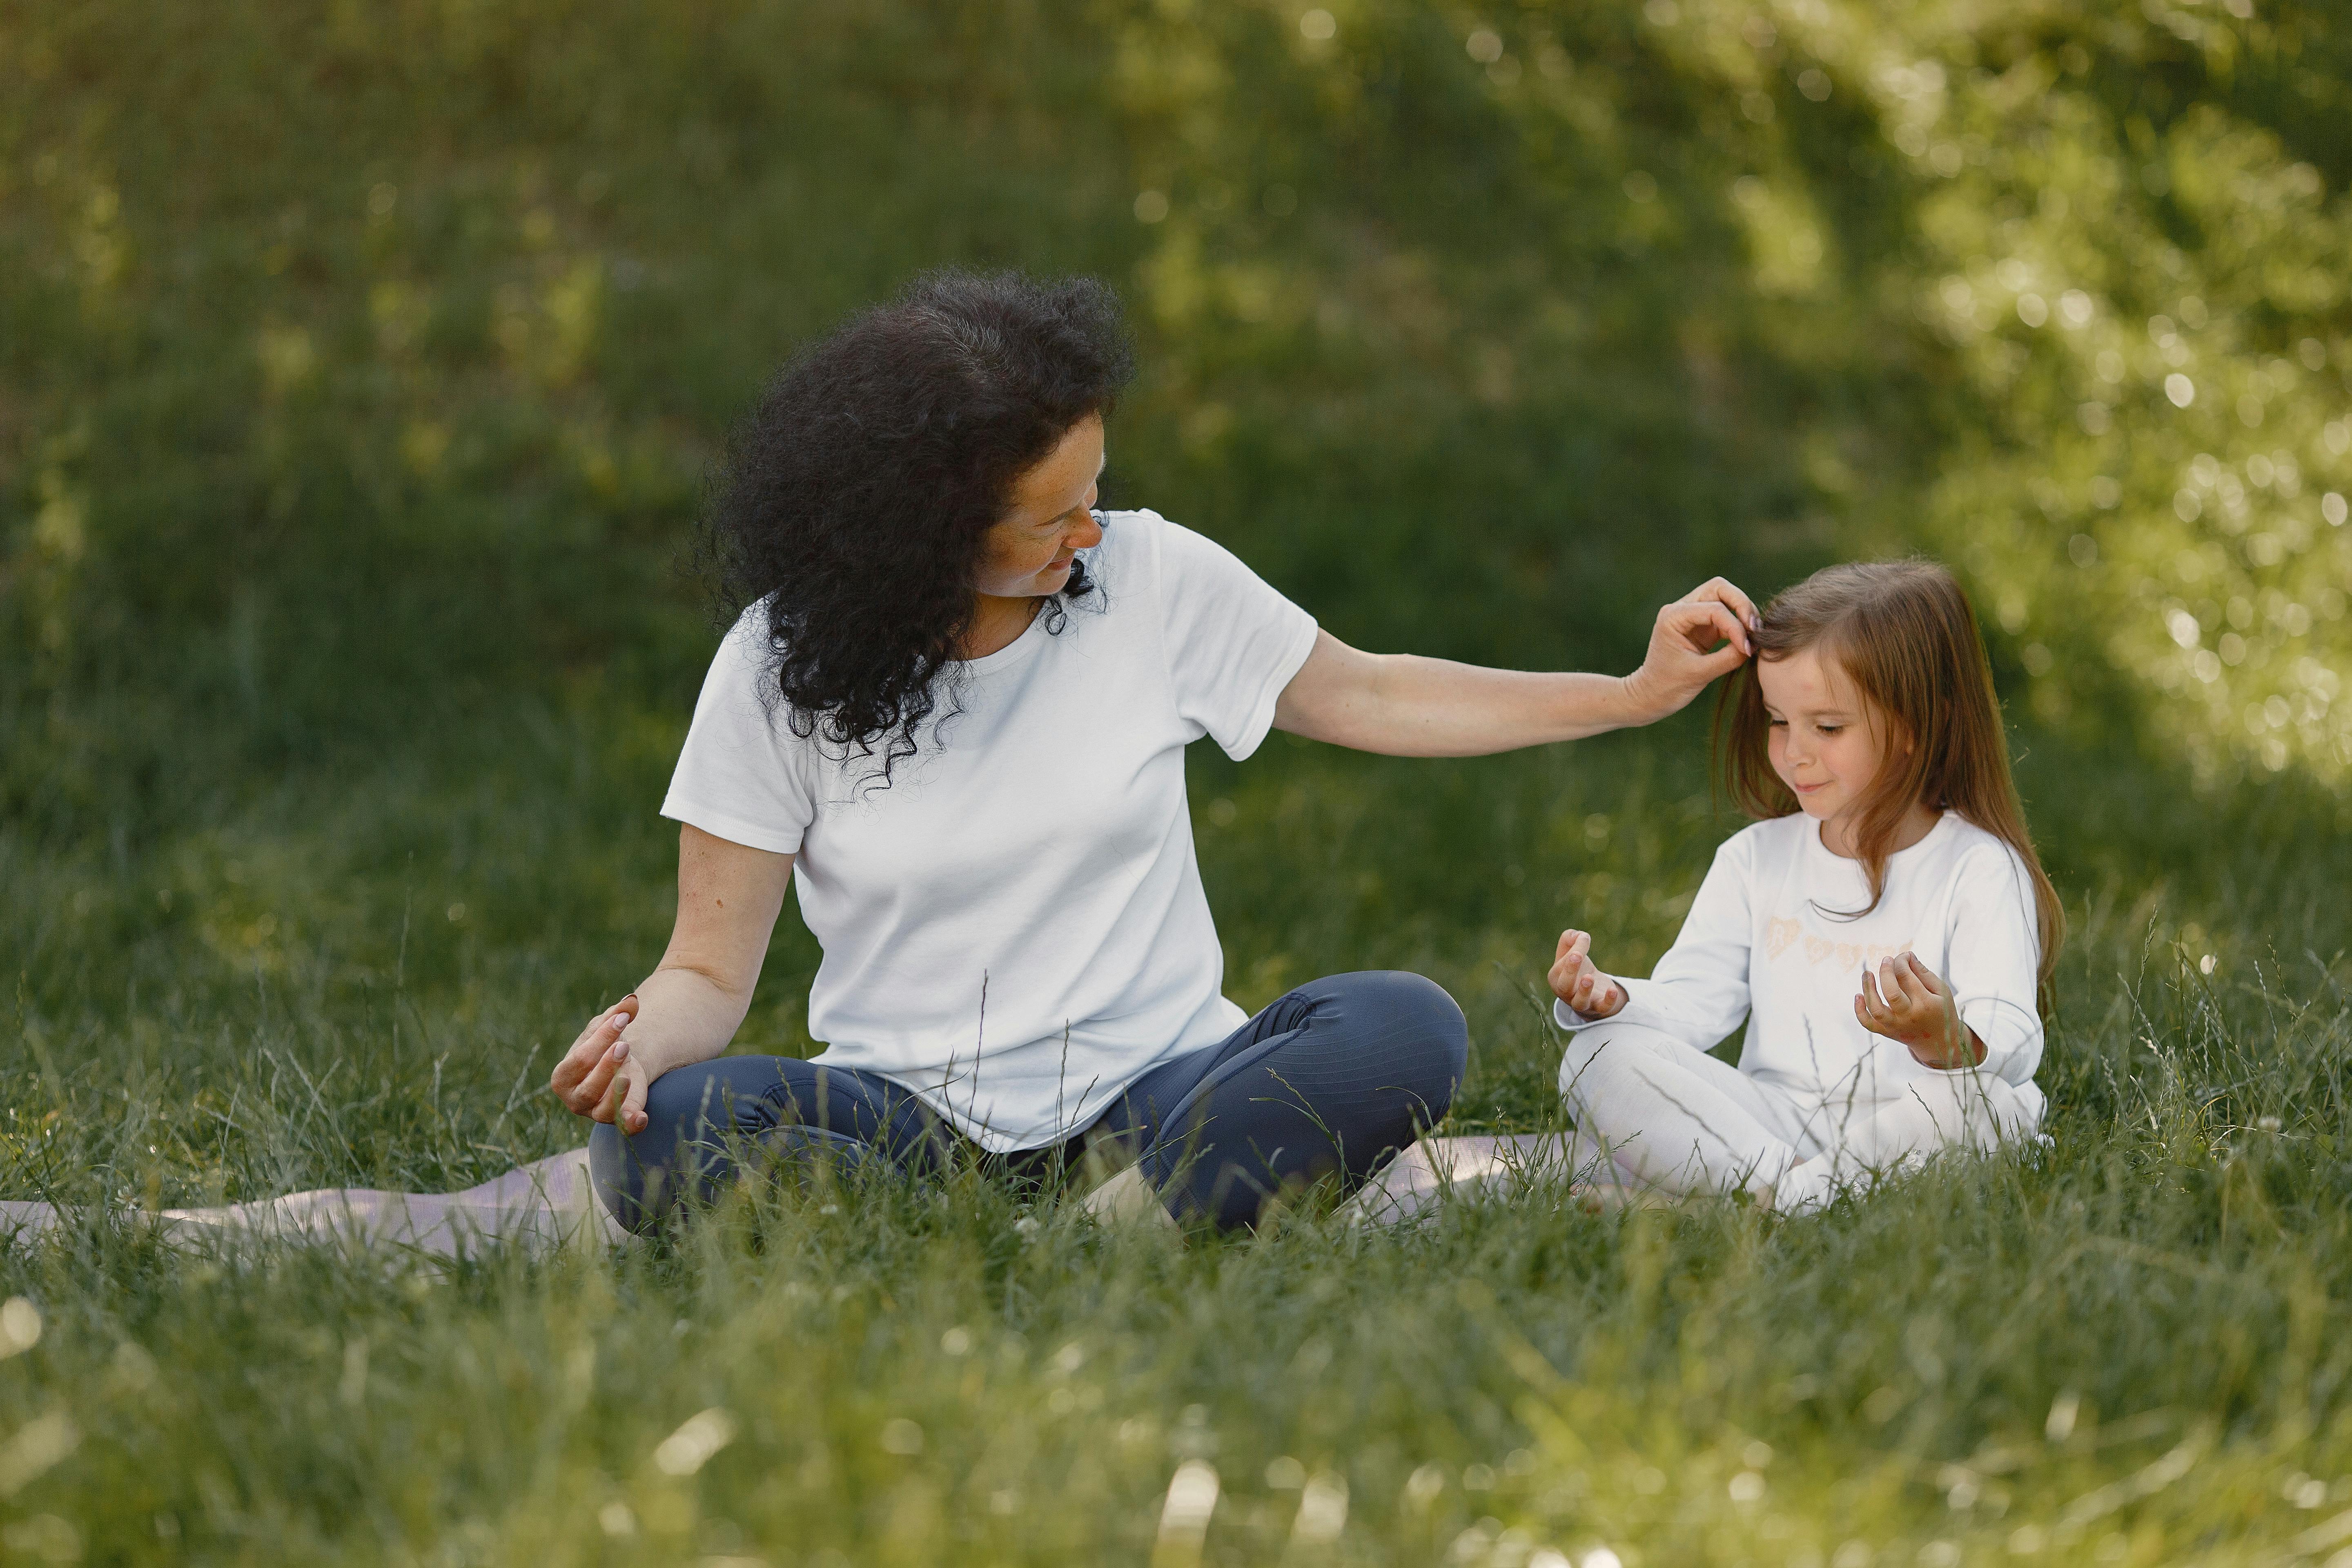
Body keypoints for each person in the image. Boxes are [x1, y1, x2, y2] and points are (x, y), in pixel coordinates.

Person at [550, 269, 1760, 1233]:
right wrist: (638, 1049)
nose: (1091, 529)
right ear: (918, 535)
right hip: (902, 1111)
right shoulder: (777, 666)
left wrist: (1626, 695)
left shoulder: (1150, 576)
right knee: (660, 1141)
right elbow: (706, 977)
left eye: (1098, 488)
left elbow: (1376, 693)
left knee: (1403, 1029)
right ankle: (1047, 1219)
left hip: (1165, 1091)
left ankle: (1077, 1235)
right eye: (1049, 517)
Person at [1548, 559, 2065, 1212]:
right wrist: (1614, 999)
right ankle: (1793, 1196)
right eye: (1777, 720)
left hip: (1914, 1118)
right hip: (1772, 1127)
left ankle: (1736, 1207)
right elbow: (1694, 1001)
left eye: (1827, 727)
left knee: (1988, 1108)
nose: (1794, 753)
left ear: (1914, 725)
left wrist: (1945, 1036)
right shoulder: (1754, 859)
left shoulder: (1977, 866)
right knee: (1596, 1058)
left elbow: (2012, 1037)